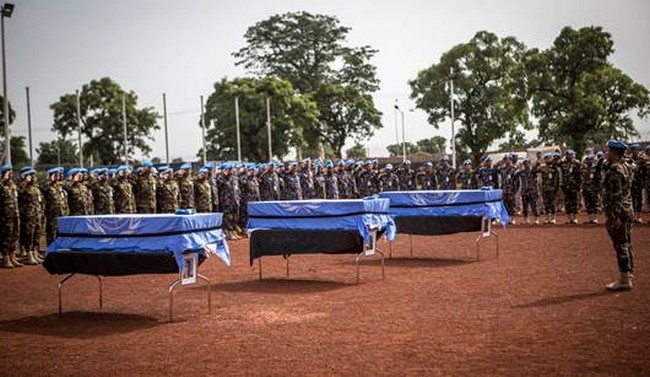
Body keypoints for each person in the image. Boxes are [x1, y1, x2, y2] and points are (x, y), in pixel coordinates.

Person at [603, 140, 635, 291]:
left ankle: (624, 278)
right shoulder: (626, 166)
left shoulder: (615, 170)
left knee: (621, 245)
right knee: (627, 244)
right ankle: (628, 274)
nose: (606, 153)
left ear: (614, 153)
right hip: (628, 209)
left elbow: (616, 195)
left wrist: (614, 217)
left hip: (619, 212)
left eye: (608, 151)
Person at [1, 164, 22, 268]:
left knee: (14, 235)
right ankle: (5, 257)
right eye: (9, 172)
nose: (11, 174)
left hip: (15, 214)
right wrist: (3, 179)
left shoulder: (12, 185)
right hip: (5, 216)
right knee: (6, 236)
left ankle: (12, 255)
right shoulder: (2, 185)